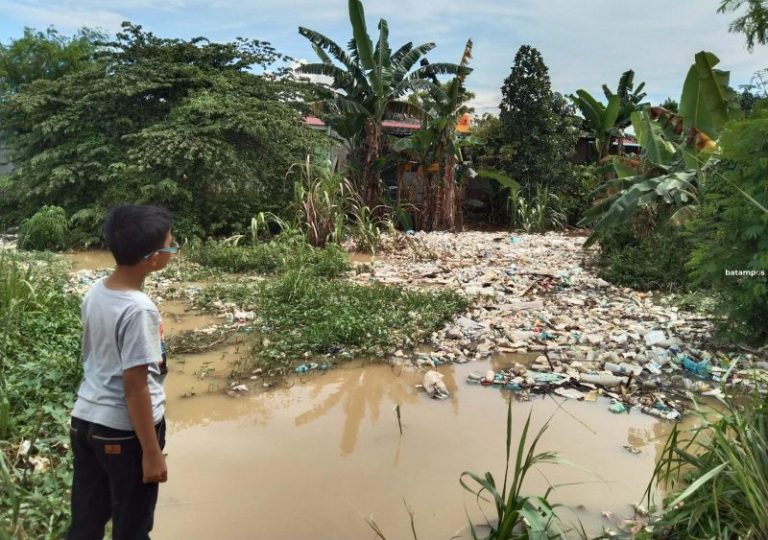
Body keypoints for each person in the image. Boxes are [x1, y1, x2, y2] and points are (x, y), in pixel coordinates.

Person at [68, 205, 178, 540]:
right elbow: (135, 387)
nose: (173, 249)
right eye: (170, 245)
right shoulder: (139, 309)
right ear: (154, 258)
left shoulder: (97, 292)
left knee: (87, 520)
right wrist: (151, 452)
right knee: (132, 526)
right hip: (124, 433)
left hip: (85, 422)